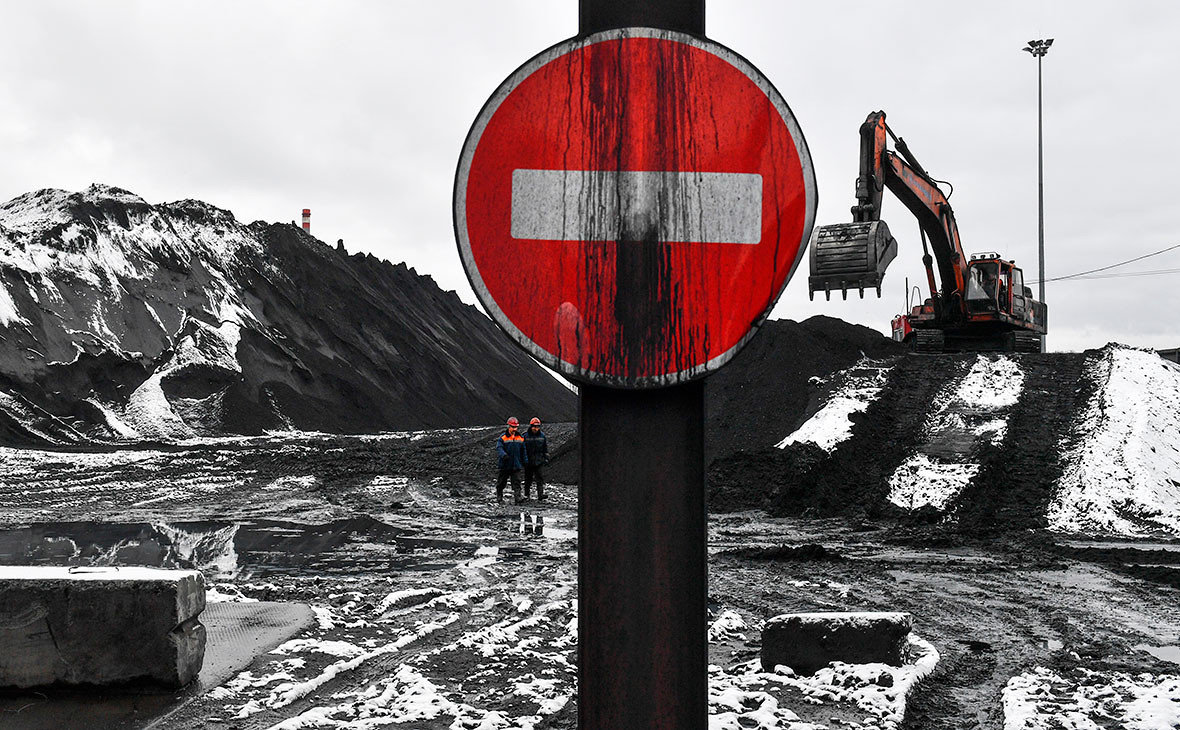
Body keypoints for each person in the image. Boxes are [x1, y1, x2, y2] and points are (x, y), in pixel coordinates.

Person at [495, 417, 527, 504]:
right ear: (508, 426)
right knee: (501, 482)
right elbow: (499, 447)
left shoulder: (520, 438)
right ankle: (499, 496)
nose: (514, 429)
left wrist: (525, 460)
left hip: (516, 464)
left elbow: (523, 450)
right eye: (512, 427)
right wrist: (503, 455)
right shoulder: (503, 438)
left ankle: (518, 497)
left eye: (515, 427)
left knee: (517, 482)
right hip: (505, 464)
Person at [523, 417, 548, 501]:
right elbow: (523, 449)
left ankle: (540, 495)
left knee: (539, 478)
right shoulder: (525, 436)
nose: (536, 428)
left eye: (537, 427)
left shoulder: (542, 436)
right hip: (528, 462)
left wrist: (545, 457)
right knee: (528, 479)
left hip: (538, 461)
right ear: (531, 426)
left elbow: (545, 448)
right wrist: (524, 459)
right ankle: (526, 495)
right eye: (534, 426)